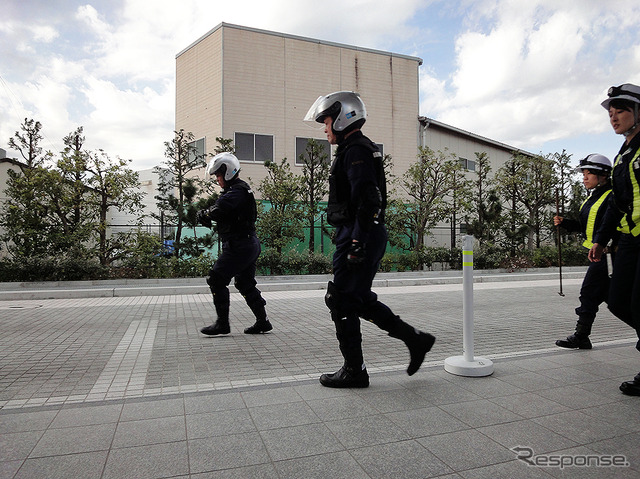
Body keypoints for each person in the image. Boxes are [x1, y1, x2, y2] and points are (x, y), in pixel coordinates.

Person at [304, 91, 435, 388]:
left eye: (325, 122)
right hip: (361, 232)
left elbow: (369, 199)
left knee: (340, 300)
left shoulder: (356, 150)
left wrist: (357, 242)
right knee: (357, 300)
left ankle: (355, 371)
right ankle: (416, 341)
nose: (324, 129)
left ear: (341, 117)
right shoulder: (358, 148)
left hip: (358, 232)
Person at [589, 83, 640, 396]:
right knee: (619, 301)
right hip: (631, 238)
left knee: (638, 303)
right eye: (610, 111)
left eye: (620, 110)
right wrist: (601, 238)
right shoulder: (623, 154)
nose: (613, 116)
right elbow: (616, 203)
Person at [197, 152, 273, 336]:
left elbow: (220, 208)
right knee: (245, 283)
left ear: (228, 171)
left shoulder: (237, 191)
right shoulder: (237, 190)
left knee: (216, 279)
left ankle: (222, 324)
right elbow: (221, 210)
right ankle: (263, 322)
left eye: (218, 175)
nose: (217, 179)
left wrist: (205, 214)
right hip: (247, 244)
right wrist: (207, 214)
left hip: (240, 245)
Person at [554, 154, 614, 349]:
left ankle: (581, 335)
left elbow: (609, 225)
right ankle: (582, 335)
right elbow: (587, 225)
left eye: (588, 173)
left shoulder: (612, 195)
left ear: (602, 174)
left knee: (591, 293)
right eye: (583, 174)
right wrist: (566, 223)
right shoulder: (593, 197)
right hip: (598, 254)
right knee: (609, 298)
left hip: (609, 254)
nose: (584, 178)